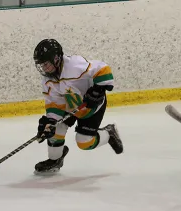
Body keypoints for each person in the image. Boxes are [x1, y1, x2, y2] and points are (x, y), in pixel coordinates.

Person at [32, 38, 123, 175]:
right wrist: (50, 121)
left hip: (91, 107)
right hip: (71, 106)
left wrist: (98, 90)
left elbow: (103, 69)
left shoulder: (74, 65)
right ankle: (55, 160)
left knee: (84, 142)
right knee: (55, 127)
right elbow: (54, 103)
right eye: (41, 65)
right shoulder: (47, 81)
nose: (44, 68)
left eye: (46, 64)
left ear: (56, 59)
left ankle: (109, 133)